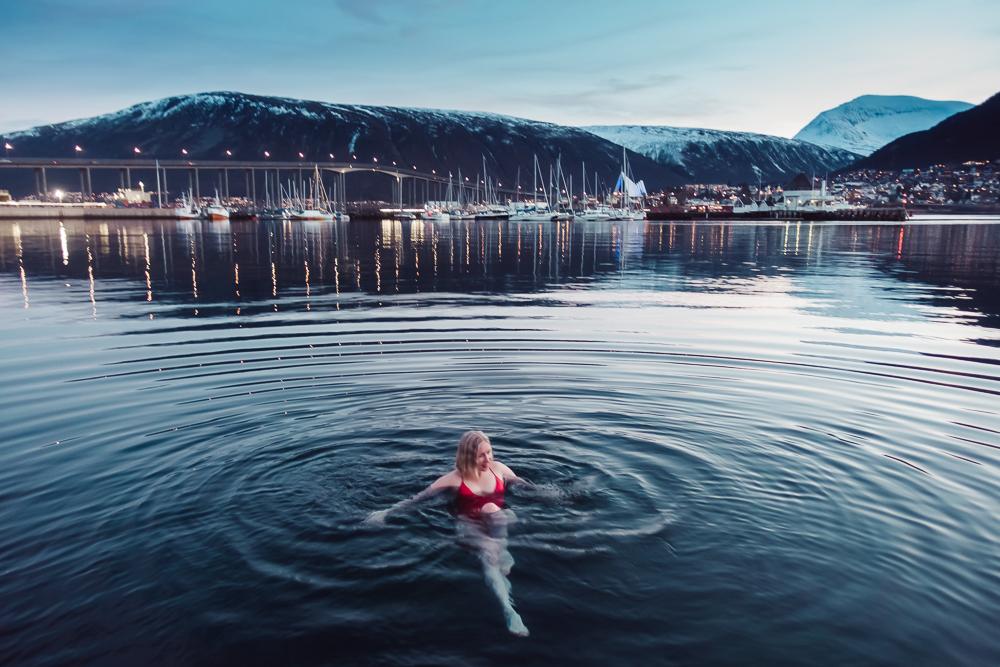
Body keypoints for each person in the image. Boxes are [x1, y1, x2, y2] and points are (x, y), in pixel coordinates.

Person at [365, 430, 530, 636]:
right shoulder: (453, 479)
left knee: (494, 510)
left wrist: (559, 494)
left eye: (489, 452)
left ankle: (502, 548)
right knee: (489, 554)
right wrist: (386, 512)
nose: (487, 459)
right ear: (467, 456)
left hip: (498, 519)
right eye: (481, 455)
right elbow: (417, 499)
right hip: (469, 523)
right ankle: (508, 608)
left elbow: (526, 486)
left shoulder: (498, 469)